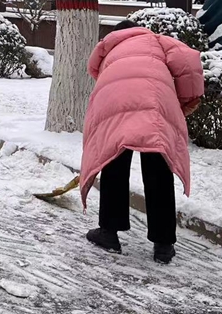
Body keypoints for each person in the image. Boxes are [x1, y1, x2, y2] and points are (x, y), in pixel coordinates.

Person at [80, 20, 204, 264]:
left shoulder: (108, 48)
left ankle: (109, 233)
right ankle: (163, 245)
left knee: (113, 159)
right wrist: (188, 100)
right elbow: (188, 62)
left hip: (115, 100)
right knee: (158, 166)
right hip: (155, 99)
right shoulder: (157, 41)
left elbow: (96, 73)